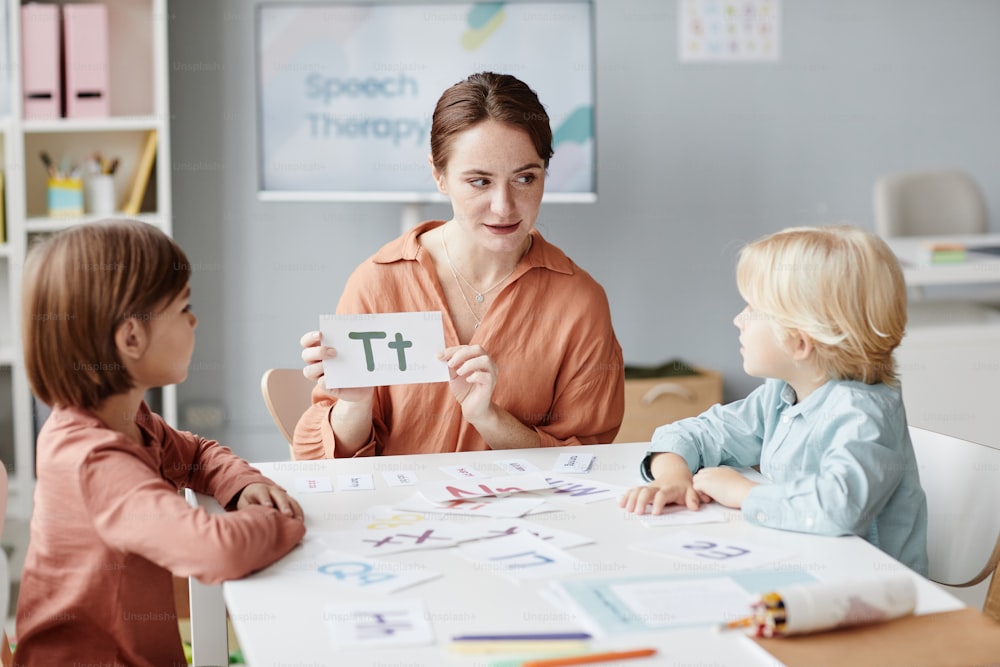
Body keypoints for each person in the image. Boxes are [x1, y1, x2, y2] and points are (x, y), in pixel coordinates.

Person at [15, 220, 307, 665]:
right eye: (183, 307)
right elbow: (216, 550)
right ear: (131, 338)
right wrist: (282, 520)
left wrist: (242, 485)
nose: (194, 319)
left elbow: (197, 453)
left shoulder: (127, 420)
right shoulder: (93, 460)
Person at [295, 72, 624, 458]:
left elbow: (587, 458)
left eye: (524, 178)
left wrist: (489, 418)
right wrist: (355, 405)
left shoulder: (579, 302)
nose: (504, 207)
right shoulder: (378, 283)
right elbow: (322, 463)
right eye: (479, 182)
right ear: (439, 175)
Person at [619, 225, 928, 575]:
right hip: (803, 566)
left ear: (800, 342)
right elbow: (699, 432)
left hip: (871, 593)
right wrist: (672, 477)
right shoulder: (782, 394)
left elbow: (837, 508)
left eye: (752, 308)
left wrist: (744, 494)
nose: (738, 319)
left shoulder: (862, 415)